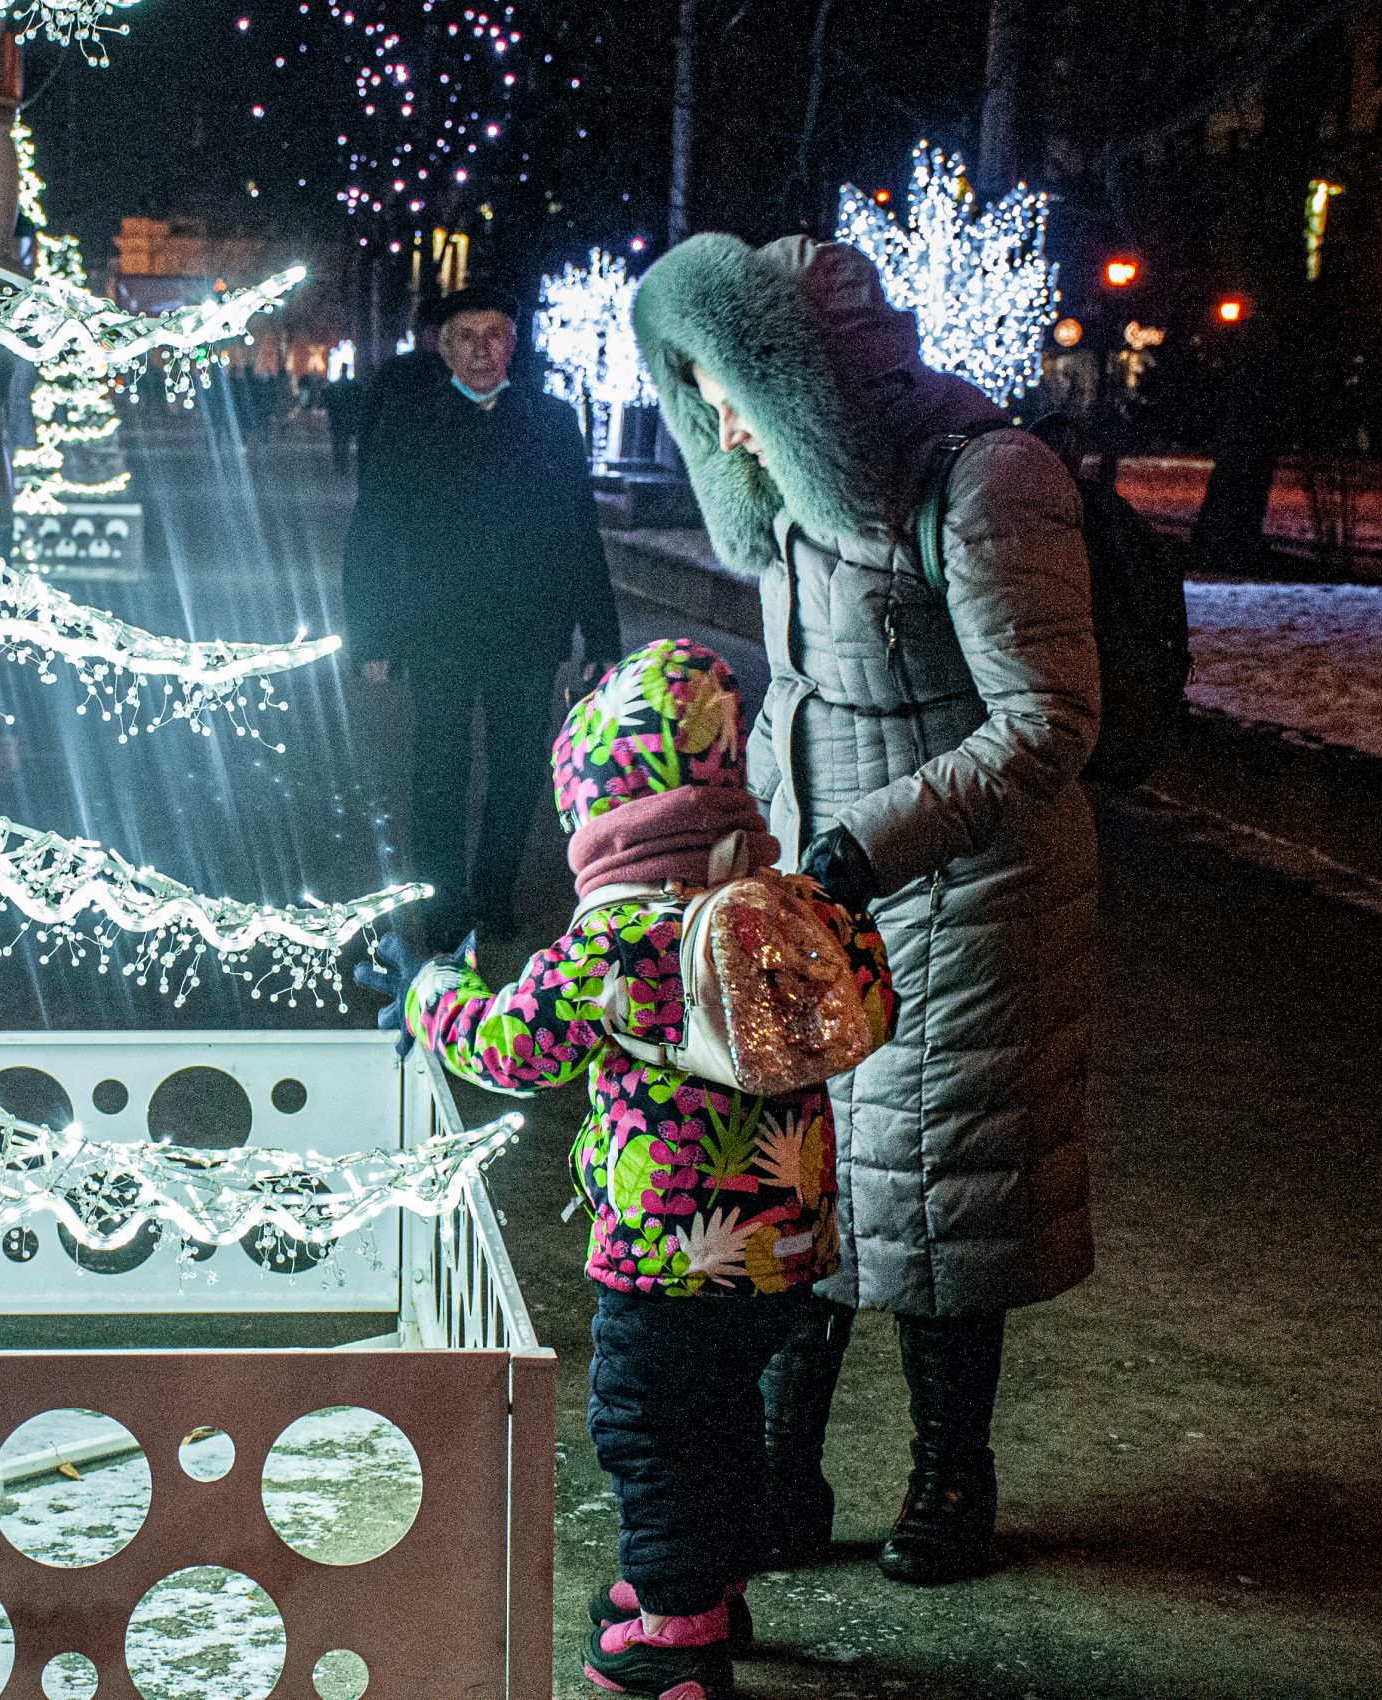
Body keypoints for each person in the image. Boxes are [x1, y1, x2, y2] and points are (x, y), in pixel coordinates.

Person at [634, 234, 1100, 1585]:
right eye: (702, 390)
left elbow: (1048, 723)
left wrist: (858, 848)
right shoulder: (788, 486)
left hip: (971, 892)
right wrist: (744, 830)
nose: (720, 422)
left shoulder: (989, 481)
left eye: (735, 389)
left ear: (809, 383)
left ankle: (954, 1473)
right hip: (813, 887)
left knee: (942, 1201)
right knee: (810, 1175)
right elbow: (804, 691)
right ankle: (785, 1480)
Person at [357, 640, 895, 1700]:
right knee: (725, 1409)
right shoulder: (787, 911)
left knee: (644, 1429)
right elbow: (871, 996)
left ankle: (673, 1638)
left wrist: (426, 990)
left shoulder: (617, 942)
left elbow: (506, 1047)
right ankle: (707, 1583)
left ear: (601, 817)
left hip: (665, 1257)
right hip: (787, 1249)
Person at [341, 283, 622, 948]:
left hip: (527, 632)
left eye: (493, 335)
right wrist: (372, 633)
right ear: (444, 346)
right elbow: (374, 529)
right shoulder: (413, 421)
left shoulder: (551, 422)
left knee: (519, 766)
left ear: (513, 344)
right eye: (465, 337)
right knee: (439, 766)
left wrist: (601, 634)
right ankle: (441, 904)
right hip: (437, 628)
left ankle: (493, 892)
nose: (479, 350)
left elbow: (579, 530)